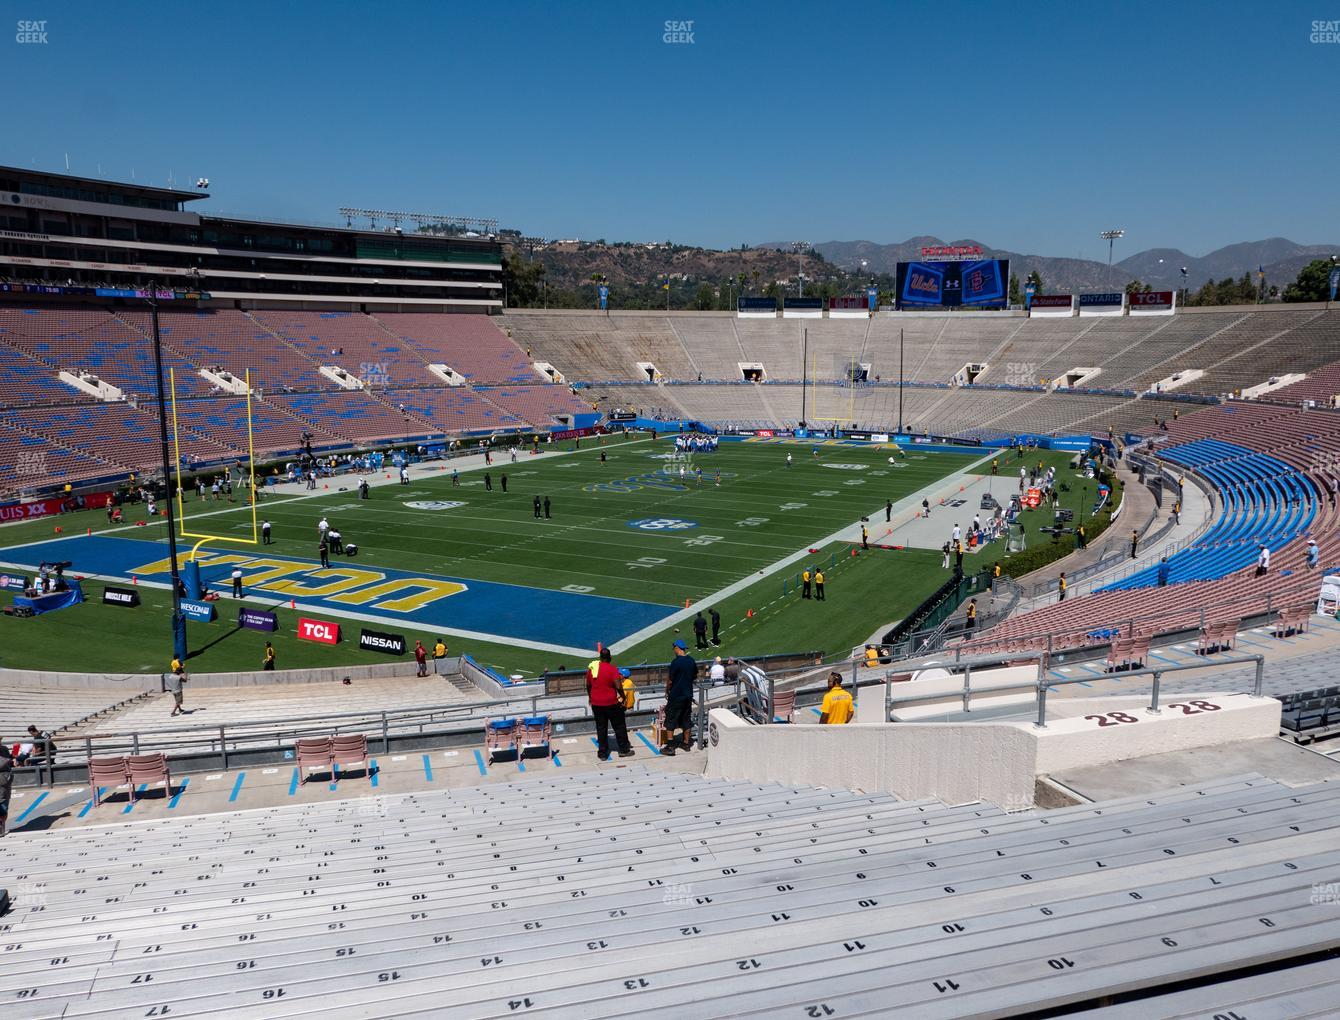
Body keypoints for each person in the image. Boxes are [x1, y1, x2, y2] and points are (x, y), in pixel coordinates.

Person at [661, 639, 697, 755]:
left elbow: (670, 680)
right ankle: (686, 744)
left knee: (670, 720)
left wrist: (667, 691)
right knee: (686, 719)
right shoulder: (691, 661)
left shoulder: (676, 662)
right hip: (688, 695)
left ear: (677, 648)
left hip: (676, 696)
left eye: (674, 648)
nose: (674, 650)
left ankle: (670, 747)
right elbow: (694, 675)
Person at [0, 743, 12, 837]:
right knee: (3, 803)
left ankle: (1, 826)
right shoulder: (4, 749)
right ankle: (1, 826)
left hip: (3, 779)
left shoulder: (4, 749)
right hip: (4, 779)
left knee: (3, 802)